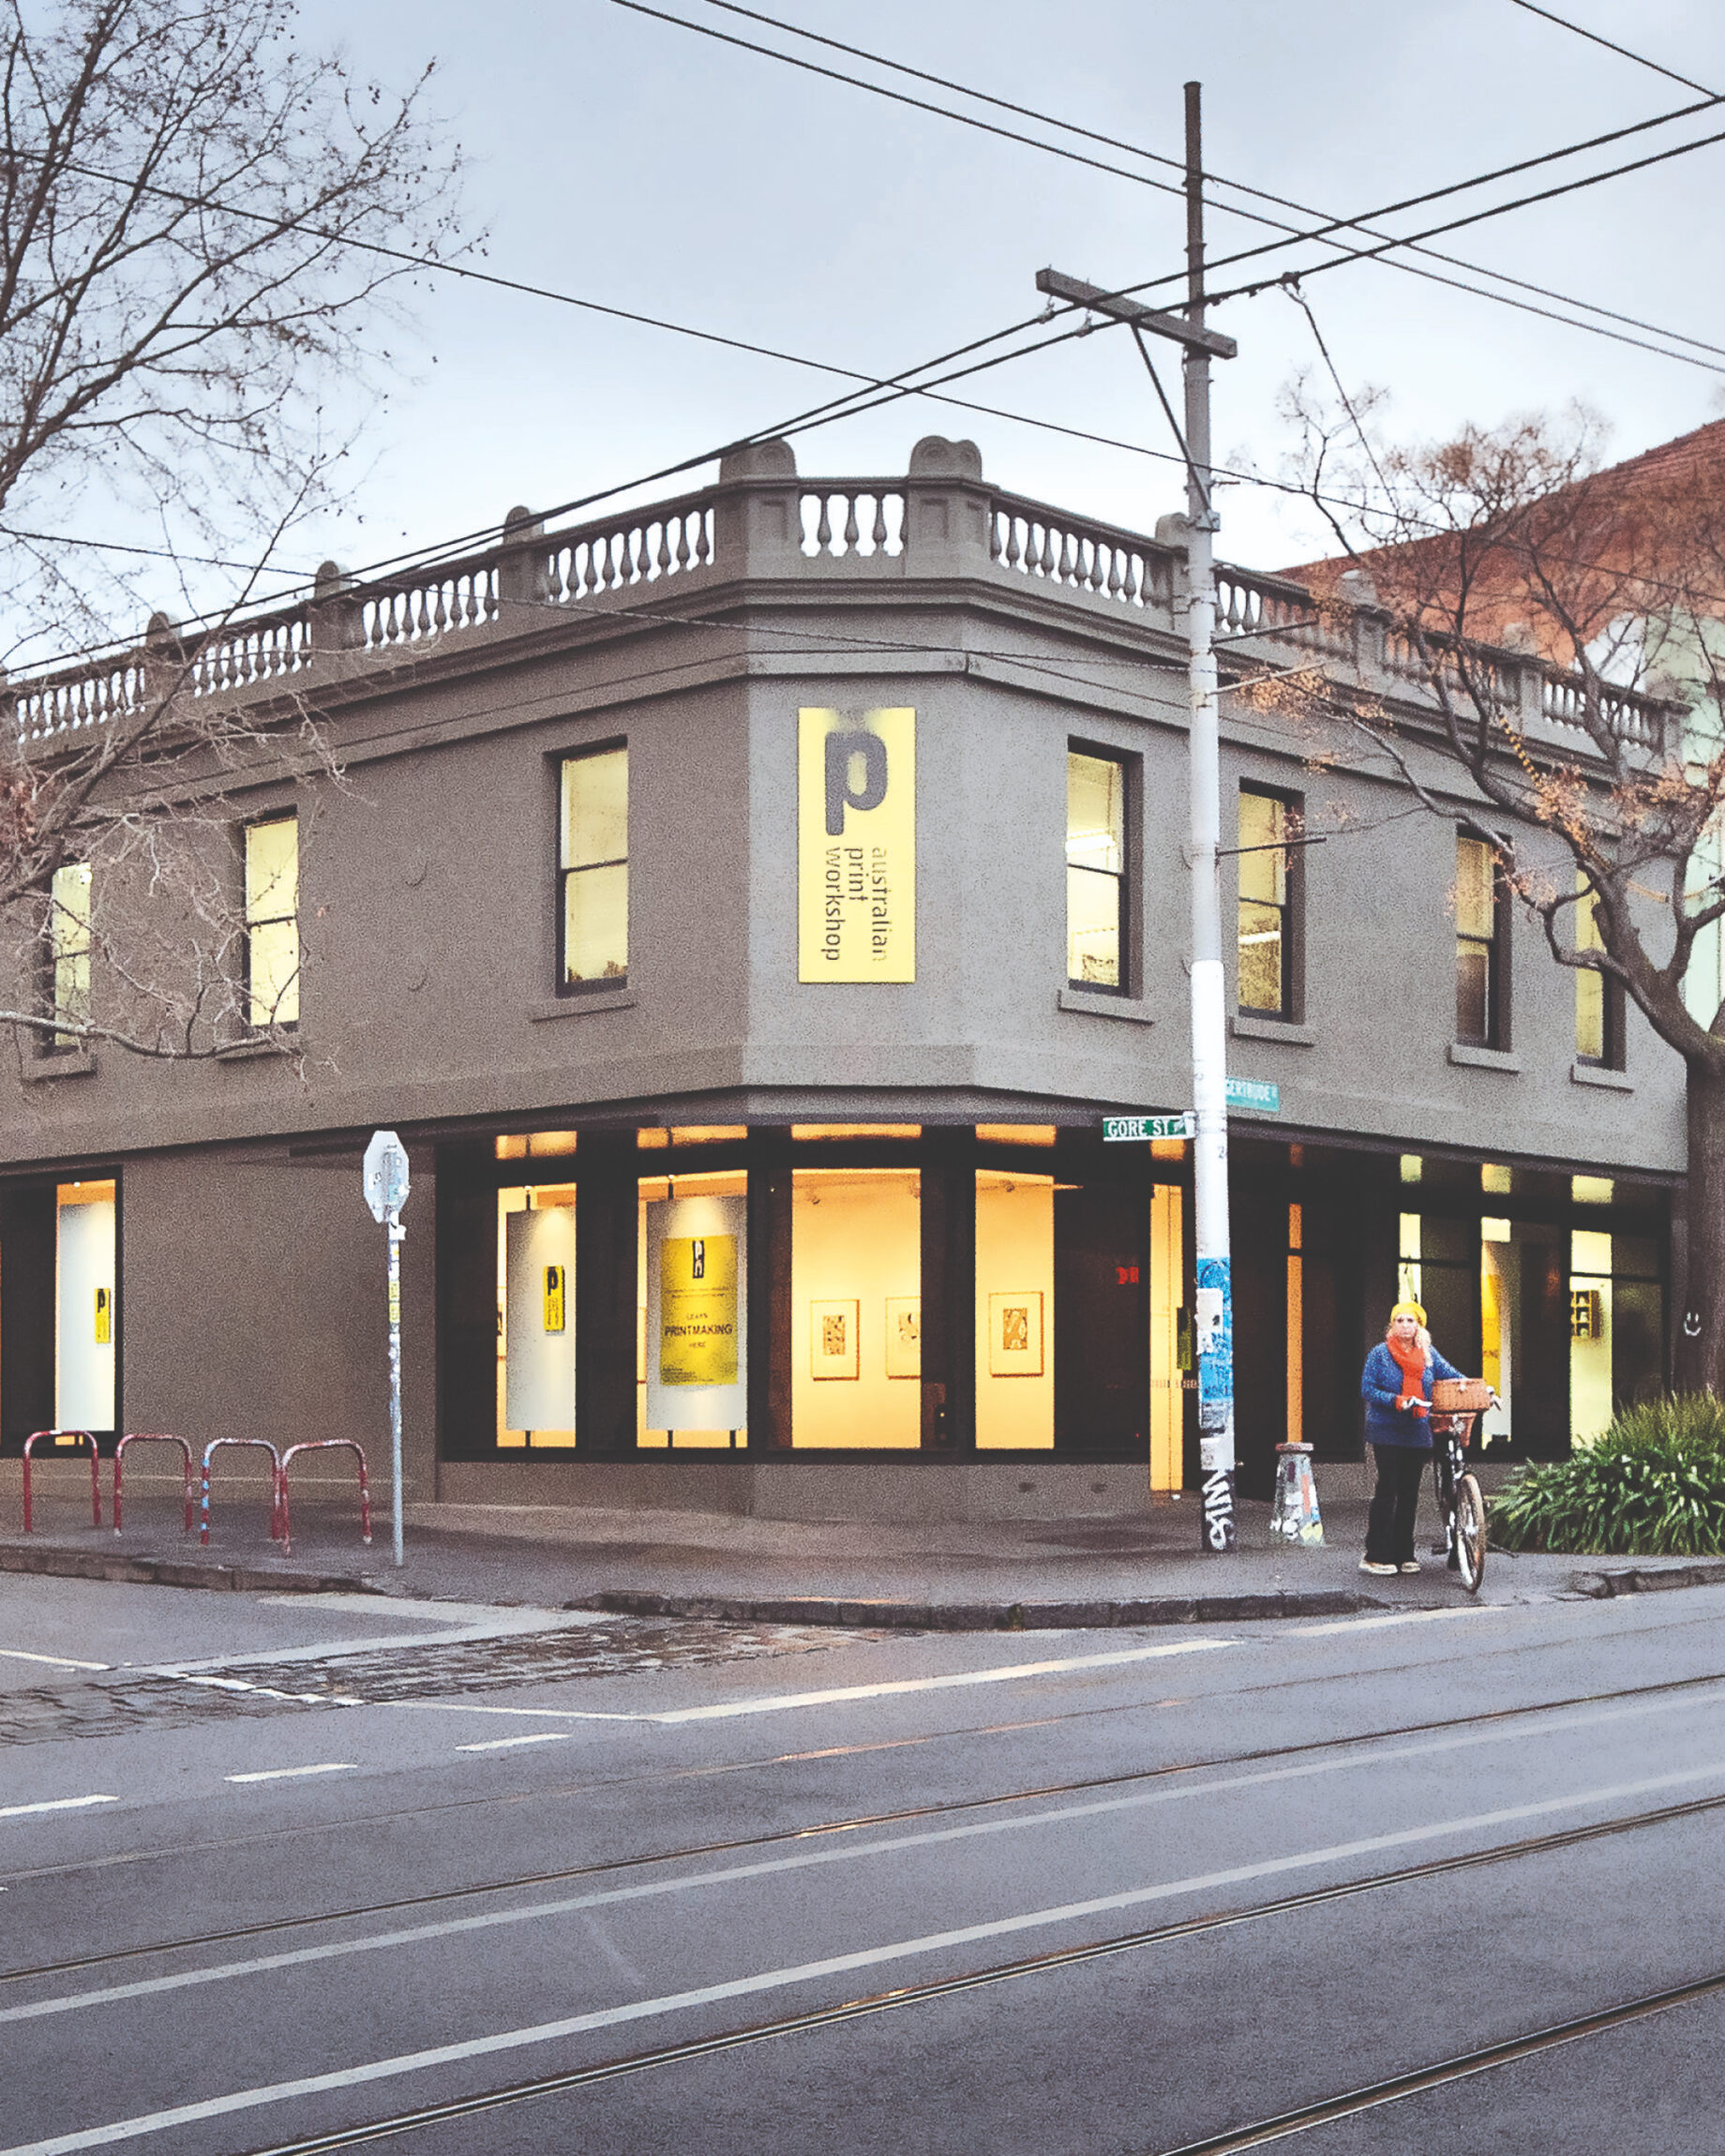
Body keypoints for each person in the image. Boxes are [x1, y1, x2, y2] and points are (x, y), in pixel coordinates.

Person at [1358, 1300, 1468, 1577]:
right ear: (1392, 1325)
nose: (1405, 1326)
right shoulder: (1379, 1354)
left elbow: (1453, 1375)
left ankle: (1404, 1553)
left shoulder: (1428, 1353)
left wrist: (1480, 1388)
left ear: (1419, 1325)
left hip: (1417, 1430)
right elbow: (1367, 1389)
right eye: (1400, 1321)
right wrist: (1396, 1400)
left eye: (1410, 1321)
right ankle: (1376, 1555)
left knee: (1409, 1493)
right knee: (1388, 1490)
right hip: (1386, 1428)